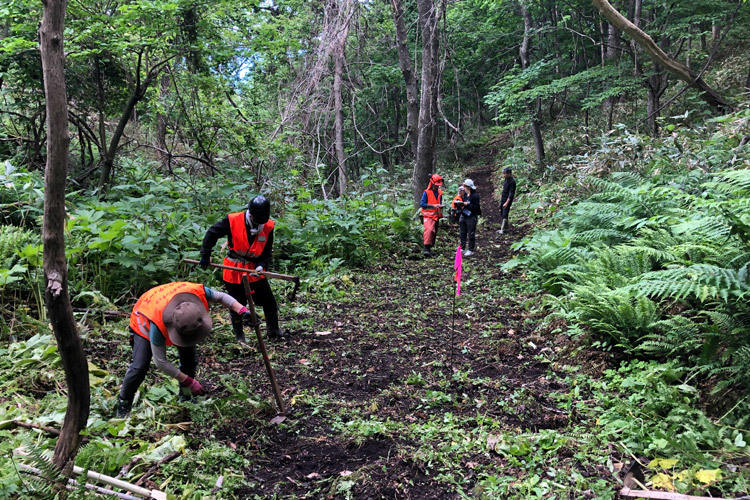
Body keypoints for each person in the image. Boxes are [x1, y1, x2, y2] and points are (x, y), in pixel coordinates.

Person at [117, 281, 253, 417]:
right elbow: (160, 362)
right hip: (144, 314)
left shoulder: (196, 292)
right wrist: (188, 381)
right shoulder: (157, 324)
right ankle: (124, 402)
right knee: (140, 366)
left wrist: (243, 311)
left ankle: (185, 396)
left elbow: (222, 297)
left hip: (170, 302)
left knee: (189, 358)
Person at [200, 195, 283, 342]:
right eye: (257, 221)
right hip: (234, 270)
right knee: (237, 304)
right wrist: (205, 255)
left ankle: (273, 331)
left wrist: (262, 266)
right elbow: (212, 233)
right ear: (250, 214)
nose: (260, 224)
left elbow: (267, 253)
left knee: (269, 301)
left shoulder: (268, 226)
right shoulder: (232, 220)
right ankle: (240, 338)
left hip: (254, 271)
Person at [420, 174, 444, 257]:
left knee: (434, 232)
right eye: (436, 185)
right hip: (427, 215)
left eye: (439, 185)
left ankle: (429, 249)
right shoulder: (426, 192)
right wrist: (433, 205)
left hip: (436, 216)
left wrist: (440, 205)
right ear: (432, 183)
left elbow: (439, 202)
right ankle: (426, 249)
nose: (437, 187)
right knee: (429, 230)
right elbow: (422, 204)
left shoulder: (440, 193)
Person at [459, 178, 481, 256]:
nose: (463, 187)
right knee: (462, 232)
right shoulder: (465, 195)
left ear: (468, 187)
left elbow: (476, 208)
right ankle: (462, 248)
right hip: (464, 215)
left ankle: (471, 249)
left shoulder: (475, 196)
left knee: (471, 233)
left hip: (471, 216)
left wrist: (467, 204)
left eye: (464, 186)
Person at [499, 167, 516, 234]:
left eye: (505, 174)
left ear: (509, 174)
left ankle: (502, 229)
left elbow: (511, 193)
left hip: (507, 200)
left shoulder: (512, 182)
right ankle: (505, 228)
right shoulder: (506, 180)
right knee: (502, 212)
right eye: (503, 173)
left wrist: (507, 202)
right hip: (503, 198)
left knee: (505, 213)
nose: (504, 175)